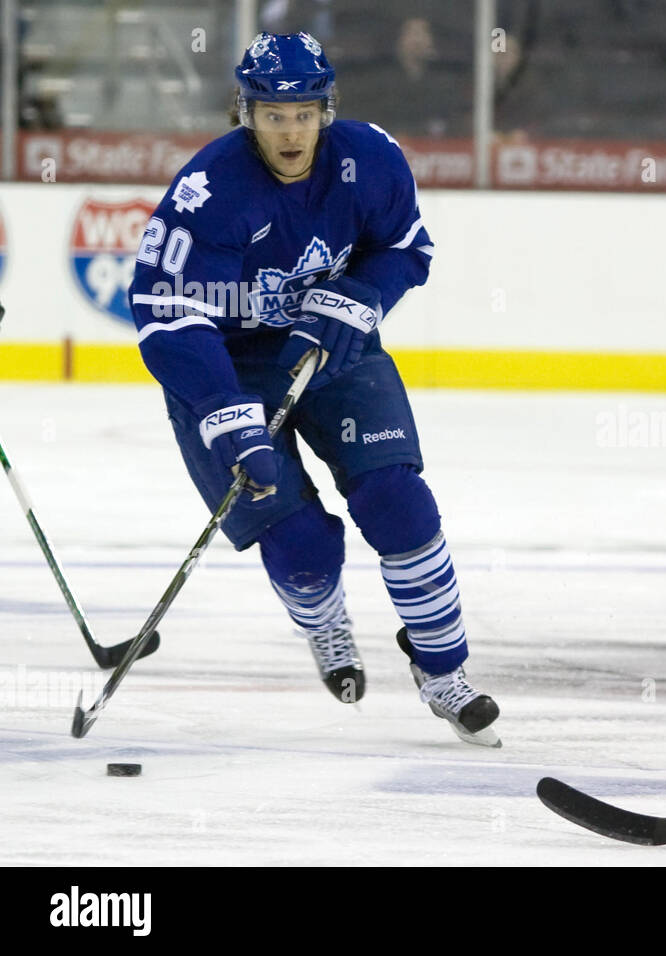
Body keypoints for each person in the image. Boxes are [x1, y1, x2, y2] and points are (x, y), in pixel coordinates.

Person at [127, 32, 500, 747]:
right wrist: (227, 419)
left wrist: (357, 299)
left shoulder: (370, 161)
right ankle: (327, 625)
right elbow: (167, 318)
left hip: (334, 348)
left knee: (398, 500)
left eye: (303, 113)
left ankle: (444, 671)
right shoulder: (211, 192)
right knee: (300, 547)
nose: (290, 130)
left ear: (326, 109)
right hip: (226, 363)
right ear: (247, 114)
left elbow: (406, 248)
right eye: (273, 114)